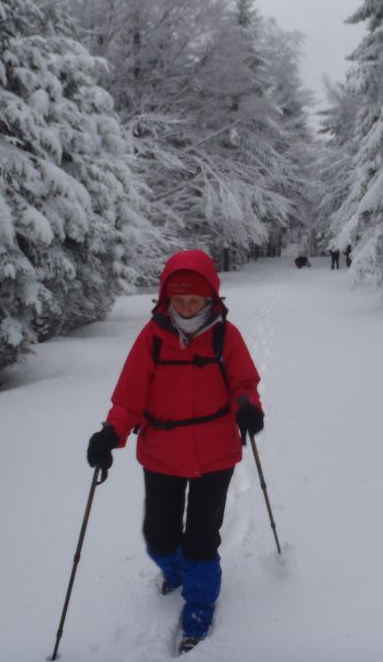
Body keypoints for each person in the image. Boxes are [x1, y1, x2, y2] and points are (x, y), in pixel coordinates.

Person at [86, 249, 265, 654]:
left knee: (202, 538)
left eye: (194, 300)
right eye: (179, 300)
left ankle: (200, 603)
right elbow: (129, 398)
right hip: (162, 452)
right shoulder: (152, 338)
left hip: (215, 452)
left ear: (211, 300)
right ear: (166, 298)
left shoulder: (226, 336)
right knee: (159, 536)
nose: (186, 307)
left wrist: (248, 408)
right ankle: (177, 568)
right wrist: (109, 435)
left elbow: (244, 383)